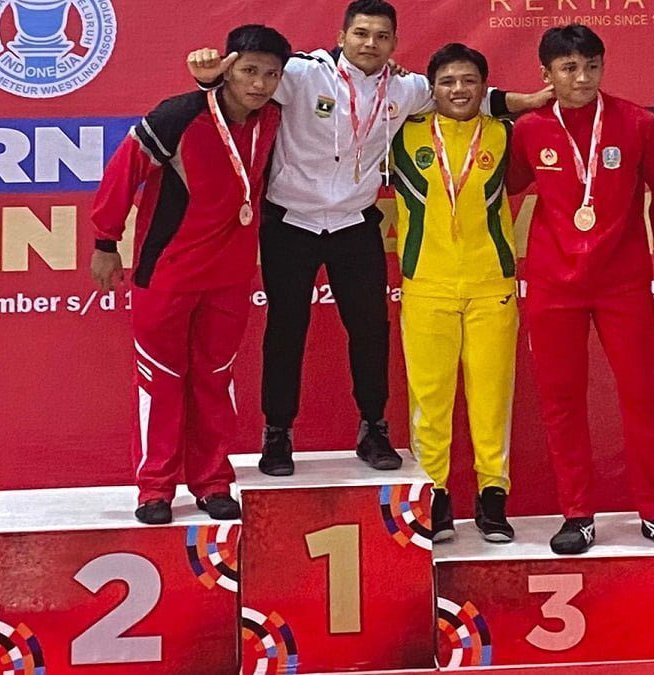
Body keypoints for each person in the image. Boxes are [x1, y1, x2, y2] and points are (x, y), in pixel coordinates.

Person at [187, 0, 552, 477]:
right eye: (361, 34)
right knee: (285, 332)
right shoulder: (301, 74)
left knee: (370, 331)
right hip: (291, 222)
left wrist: (531, 101)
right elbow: (245, 88)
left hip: (354, 224)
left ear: (395, 43)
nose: (370, 44)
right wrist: (208, 78)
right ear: (342, 37)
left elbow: (467, 97)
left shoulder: (406, 88)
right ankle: (277, 434)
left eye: (382, 36)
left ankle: (374, 429)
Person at [508, 24, 654, 553]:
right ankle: (577, 515)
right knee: (561, 403)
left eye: (592, 66)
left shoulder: (638, 123)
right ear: (546, 73)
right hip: (552, 287)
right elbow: (501, 185)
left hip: (623, 284)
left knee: (642, 398)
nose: (582, 78)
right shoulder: (528, 129)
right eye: (568, 68)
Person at [89, 25, 291, 524]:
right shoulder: (178, 115)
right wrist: (105, 241)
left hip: (231, 278)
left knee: (215, 381)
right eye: (249, 70)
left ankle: (212, 481)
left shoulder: (274, 118)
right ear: (227, 67)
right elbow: (123, 172)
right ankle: (155, 488)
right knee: (161, 382)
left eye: (270, 74)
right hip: (167, 275)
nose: (259, 84)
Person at [391, 44, 517, 543]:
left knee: (492, 397)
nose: (458, 90)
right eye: (447, 81)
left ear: (484, 87)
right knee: (429, 399)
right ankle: (434, 498)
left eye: (468, 80)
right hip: (426, 284)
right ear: (431, 88)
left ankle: (493, 497)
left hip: (492, 286)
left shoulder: (506, 134)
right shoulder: (402, 132)